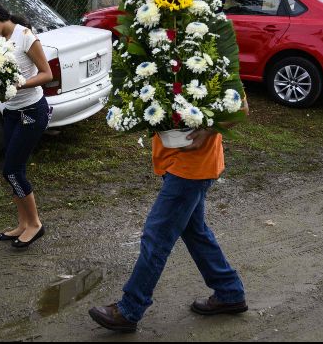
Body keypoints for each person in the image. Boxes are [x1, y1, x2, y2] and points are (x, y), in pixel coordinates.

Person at [89, 101, 250, 332]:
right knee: (195, 231)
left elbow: (241, 108)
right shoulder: (164, 64)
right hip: (177, 163)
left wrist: (207, 131)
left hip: (191, 168)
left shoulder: (215, 64)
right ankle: (229, 291)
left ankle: (129, 308)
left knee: (157, 237)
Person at [0, 0, 53, 249]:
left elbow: (47, 74)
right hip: (12, 112)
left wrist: (19, 84)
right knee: (15, 169)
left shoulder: (25, 36)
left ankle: (35, 224)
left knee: (12, 170)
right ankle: (22, 224)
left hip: (32, 111)